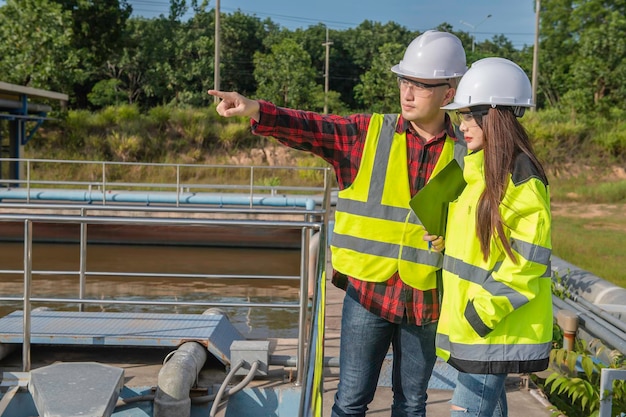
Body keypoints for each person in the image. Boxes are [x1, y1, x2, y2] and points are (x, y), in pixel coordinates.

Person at [208, 30, 467, 417]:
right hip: (368, 292)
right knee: (350, 402)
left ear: (449, 93)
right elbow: (313, 128)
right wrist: (257, 110)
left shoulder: (467, 150)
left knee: (412, 404)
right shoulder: (370, 134)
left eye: (421, 85)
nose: (407, 93)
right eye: (404, 81)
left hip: (427, 296)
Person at [427, 57, 553, 416]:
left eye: (469, 115)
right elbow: (485, 247)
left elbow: (528, 261)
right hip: (476, 329)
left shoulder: (521, 178)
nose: (461, 126)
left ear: (494, 116)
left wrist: (480, 313)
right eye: (460, 116)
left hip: (491, 328)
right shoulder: (477, 172)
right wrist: (446, 240)